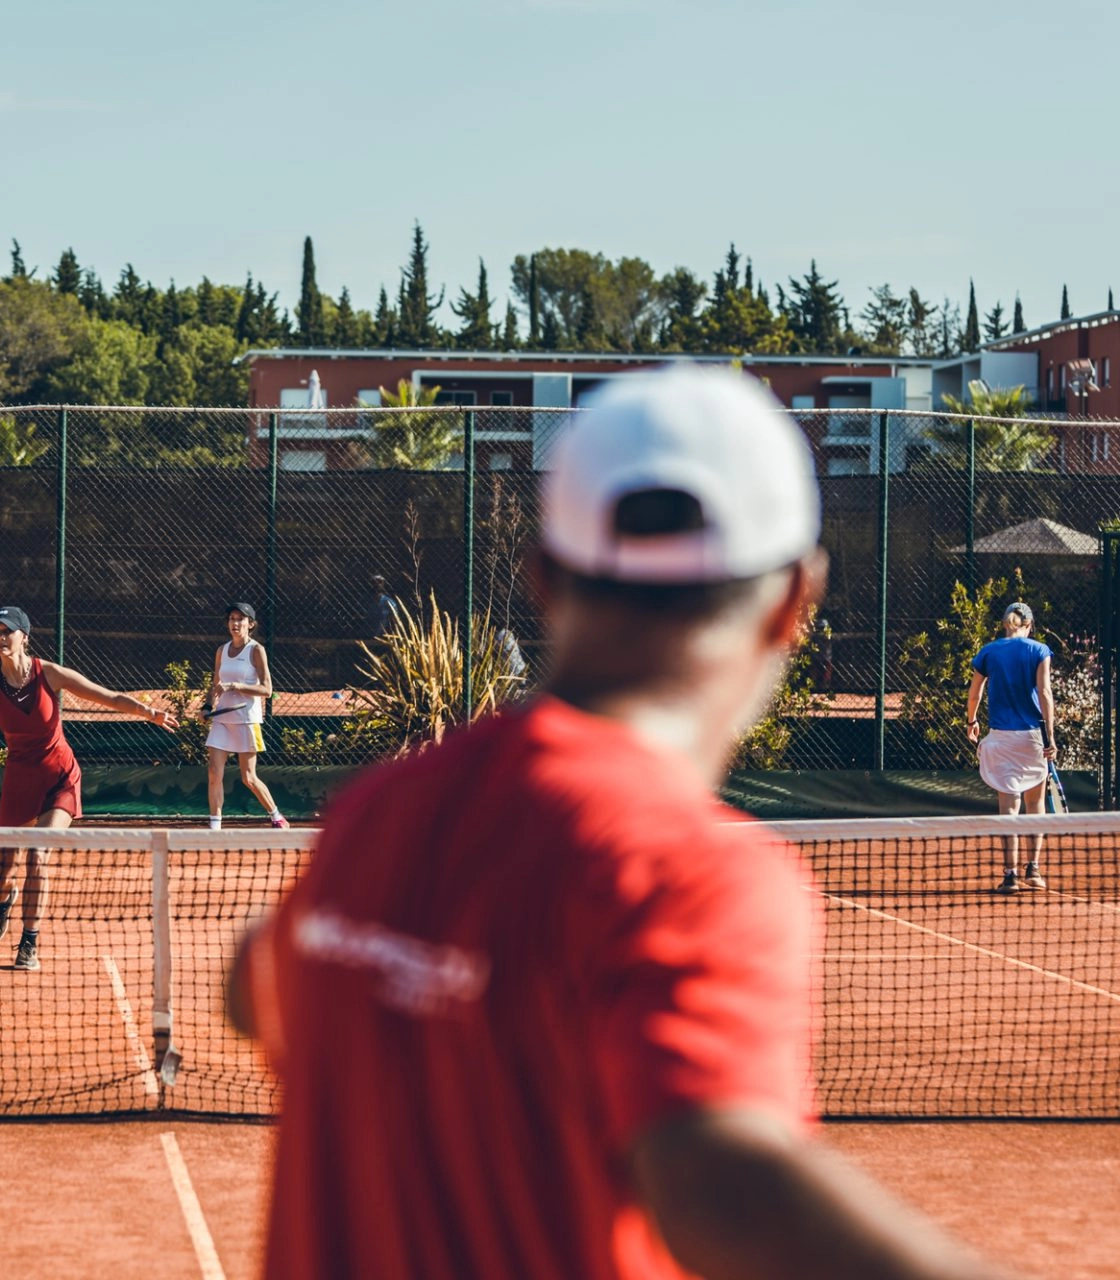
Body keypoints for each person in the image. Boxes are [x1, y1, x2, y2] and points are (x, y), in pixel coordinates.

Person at [230, 368, 1013, 1280]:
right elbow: (715, 1178)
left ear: (544, 577)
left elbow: (254, 986)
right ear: (797, 600)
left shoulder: (372, 818)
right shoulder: (693, 875)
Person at [0, 606, 177, 971]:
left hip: (60, 777)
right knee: (0, 873)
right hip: (20, 781)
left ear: (24, 637)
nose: (1, 637)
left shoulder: (50, 673)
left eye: (8, 631)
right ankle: (5, 898)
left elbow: (107, 697)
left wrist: (149, 712)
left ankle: (29, 942)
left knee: (38, 854)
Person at [967, 602, 1056, 894]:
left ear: (1006, 624)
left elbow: (975, 692)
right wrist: (1050, 738)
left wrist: (971, 721)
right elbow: (1044, 693)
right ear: (1029, 625)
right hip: (1032, 738)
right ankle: (1034, 869)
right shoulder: (1040, 650)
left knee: (1009, 809)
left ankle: (1010, 875)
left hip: (1002, 739)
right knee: (1036, 805)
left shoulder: (989, 651)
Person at [202, 602, 288, 831]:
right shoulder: (222, 650)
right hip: (222, 719)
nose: (235, 623)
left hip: (246, 719)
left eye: (240, 619)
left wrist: (235, 686)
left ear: (251, 624)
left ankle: (277, 816)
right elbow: (215, 683)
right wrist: (207, 706)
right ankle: (215, 828)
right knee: (213, 772)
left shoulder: (256, 650)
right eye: (231, 618)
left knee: (248, 777)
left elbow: (267, 690)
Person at [365, 574, 402, 640]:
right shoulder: (366, 602)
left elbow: (395, 622)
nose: (377, 584)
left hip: (384, 637)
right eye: (374, 582)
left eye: (379, 582)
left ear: (383, 584)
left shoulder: (389, 602)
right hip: (367, 636)